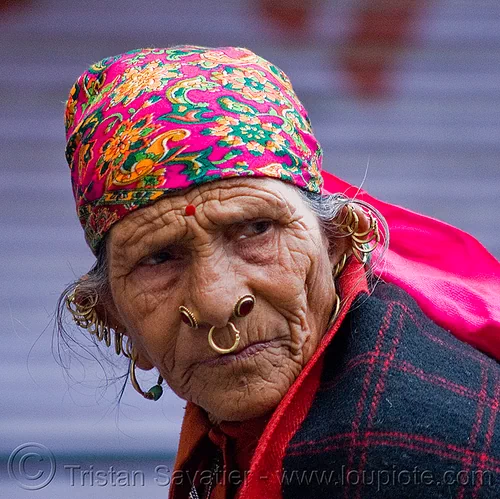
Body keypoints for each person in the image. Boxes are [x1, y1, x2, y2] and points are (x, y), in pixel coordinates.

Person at [59, 46, 500, 498]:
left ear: (339, 242)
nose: (216, 303)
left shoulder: (403, 452)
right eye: (158, 258)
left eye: (255, 229)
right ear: (114, 316)